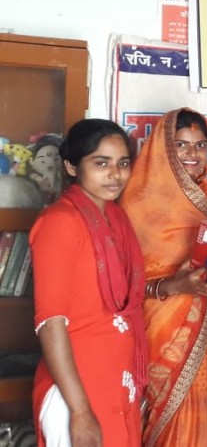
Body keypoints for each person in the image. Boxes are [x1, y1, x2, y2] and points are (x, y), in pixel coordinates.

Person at [119, 108, 207, 446]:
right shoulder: (137, 201)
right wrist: (175, 285)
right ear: (163, 148)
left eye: (200, 145)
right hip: (166, 333)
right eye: (181, 144)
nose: (192, 153)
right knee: (174, 421)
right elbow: (121, 285)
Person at [31, 119, 146, 447]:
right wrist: (80, 411)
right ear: (71, 167)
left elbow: (123, 299)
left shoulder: (116, 217)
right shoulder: (59, 222)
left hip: (116, 381)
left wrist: (174, 286)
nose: (115, 174)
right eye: (101, 163)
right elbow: (51, 322)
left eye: (123, 163)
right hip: (77, 389)